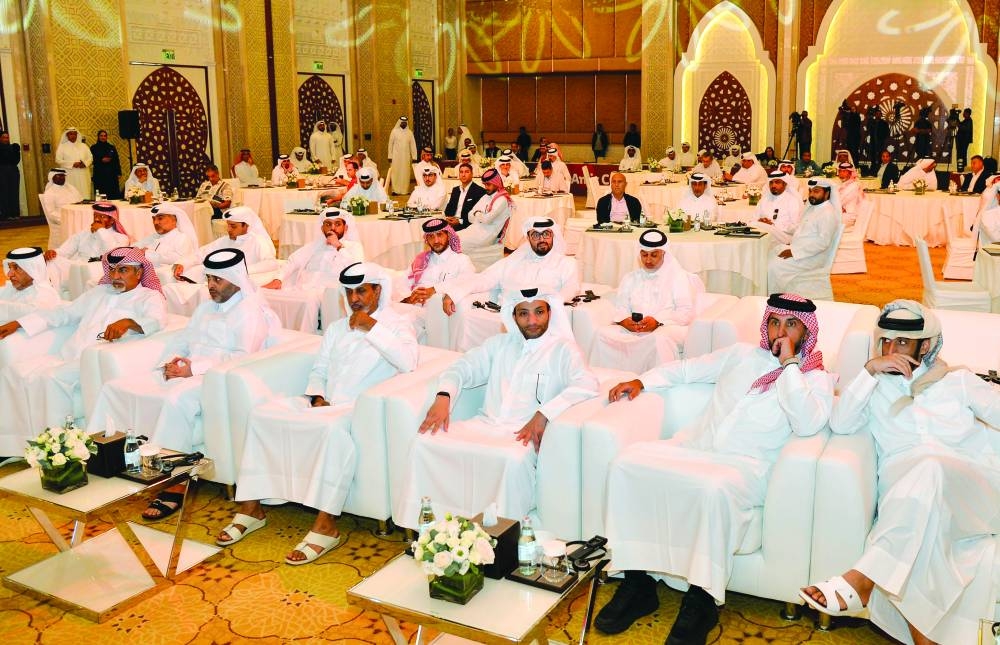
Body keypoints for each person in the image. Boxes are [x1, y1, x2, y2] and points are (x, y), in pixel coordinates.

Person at [596, 293, 833, 642]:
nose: (780, 331)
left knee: (711, 488)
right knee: (625, 465)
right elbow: (688, 368)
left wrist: (790, 366)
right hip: (694, 448)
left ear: (806, 332)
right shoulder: (741, 354)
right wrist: (643, 381)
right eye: (774, 322)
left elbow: (808, 424)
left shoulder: (815, 378)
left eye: (791, 325)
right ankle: (636, 583)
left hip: (745, 469)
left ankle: (702, 601)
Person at [801, 301, 1000, 645]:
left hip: (972, 493)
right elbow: (841, 422)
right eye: (885, 342)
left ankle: (862, 579)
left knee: (932, 467)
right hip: (910, 499)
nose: (892, 351)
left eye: (903, 343)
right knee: (920, 534)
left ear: (926, 345)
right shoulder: (872, 388)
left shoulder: (959, 381)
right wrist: (867, 372)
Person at [218, 262, 418, 564]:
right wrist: (317, 395)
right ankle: (251, 507)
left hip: (358, 409)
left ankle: (326, 526)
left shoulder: (398, 325)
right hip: (323, 402)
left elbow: (408, 362)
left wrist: (371, 327)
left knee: (331, 430)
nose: (354, 299)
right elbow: (321, 368)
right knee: (262, 415)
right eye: (349, 293)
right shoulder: (337, 327)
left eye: (361, 291)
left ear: (378, 289)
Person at [91, 248, 281, 519]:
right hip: (185, 369)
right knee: (115, 388)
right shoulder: (205, 307)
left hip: (217, 379)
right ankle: (106, 461)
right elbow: (181, 340)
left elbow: (243, 357)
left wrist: (193, 369)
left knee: (176, 399)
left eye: (218, 280)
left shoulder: (249, 311)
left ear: (235, 279)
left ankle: (173, 484)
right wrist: (170, 363)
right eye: (209, 280)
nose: (211, 286)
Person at [395, 285, 599, 527]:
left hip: (521, 435)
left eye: (539, 312)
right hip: (484, 424)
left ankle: (502, 535)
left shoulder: (563, 349)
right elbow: (462, 368)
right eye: (524, 313)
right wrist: (443, 397)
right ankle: (429, 527)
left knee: (512, 459)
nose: (532, 320)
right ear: (513, 316)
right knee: (423, 442)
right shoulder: (499, 345)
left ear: (550, 313)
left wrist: (544, 414)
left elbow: (587, 383)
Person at [0, 247, 167, 451]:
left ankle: (59, 448)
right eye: (112, 270)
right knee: (12, 372)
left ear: (139, 272)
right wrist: (19, 323)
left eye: (123, 271)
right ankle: (14, 446)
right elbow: (64, 313)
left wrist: (129, 322)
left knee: (52, 378)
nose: (115, 276)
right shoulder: (99, 292)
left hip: (94, 363)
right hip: (67, 355)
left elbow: (156, 321)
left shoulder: (148, 297)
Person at [443, 217, 579, 350]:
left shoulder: (566, 263)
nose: (542, 239)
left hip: (542, 318)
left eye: (546, 234)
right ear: (528, 238)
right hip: (507, 315)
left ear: (553, 236)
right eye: (536, 235)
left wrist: (548, 304)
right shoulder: (513, 261)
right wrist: (455, 293)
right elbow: (484, 279)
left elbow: (571, 288)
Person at [590, 230, 697, 372]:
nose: (648, 260)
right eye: (644, 254)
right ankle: (609, 379)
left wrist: (657, 321)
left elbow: (686, 313)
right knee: (602, 334)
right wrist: (624, 320)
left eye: (654, 255)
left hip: (666, 328)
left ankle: (652, 383)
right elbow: (621, 307)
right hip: (634, 328)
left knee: (656, 340)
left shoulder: (677, 277)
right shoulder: (630, 278)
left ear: (664, 253)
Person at [261, 208, 361, 332]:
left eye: (338, 224)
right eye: (328, 224)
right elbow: (293, 261)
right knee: (262, 293)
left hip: (326, 292)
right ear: (322, 228)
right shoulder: (315, 246)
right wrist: (278, 279)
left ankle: (305, 337)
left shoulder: (353, 247)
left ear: (345, 228)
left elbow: (357, 269)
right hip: (301, 288)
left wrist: (338, 246)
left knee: (309, 299)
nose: (332, 228)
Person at [767, 178, 842, 294]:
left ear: (827, 194)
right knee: (767, 255)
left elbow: (822, 243)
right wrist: (776, 226)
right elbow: (800, 229)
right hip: (800, 250)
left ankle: (776, 300)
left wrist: (794, 252)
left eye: (816, 191)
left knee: (773, 266)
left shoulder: (827, 213)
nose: (811, 195)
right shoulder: (812, 207)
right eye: (810, 191)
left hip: (813, 257)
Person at [173, 206, 277, 284]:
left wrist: (240, 270)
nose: (228, 230)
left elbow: (270, 263)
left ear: (246, 225)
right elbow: (202, 253)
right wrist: (183, 263)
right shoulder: (224, 240)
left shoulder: (258, 241)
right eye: (228, 225)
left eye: (233, 226)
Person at [44, 201, 130, 292]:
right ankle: (56, 293)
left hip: (100, 270)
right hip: (77, 268)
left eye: (102, 216)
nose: (97, 219)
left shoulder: (121, 238)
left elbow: (112, 255)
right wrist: (53, 253)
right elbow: (65, 251)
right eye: (95, 216)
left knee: (84, 271)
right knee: (52, 260)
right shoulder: (83, 233)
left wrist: (101, 231)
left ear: (112, 220)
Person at [456, 168, 513, 271]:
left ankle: (464, 271)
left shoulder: (502, 200)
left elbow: (487, 220)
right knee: (452, 237)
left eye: (488, 185)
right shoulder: (486, 196)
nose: (486, 187)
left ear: (496, 183)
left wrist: (477, 213)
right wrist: (480, 215)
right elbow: (469, 216)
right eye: (485, 184)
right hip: (475, 229)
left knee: (456, 242)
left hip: (487, 235)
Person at [0, 247, 61, 320]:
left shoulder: (45, 294)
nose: (9, 274)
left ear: (33, 270)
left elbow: (31, 313)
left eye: (16, 268)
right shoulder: (12, 287)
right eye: (9, 268)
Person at [135, 203, 199, 271]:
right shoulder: (154, 237)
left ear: (174, 220)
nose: (155, 222)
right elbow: (135, 247)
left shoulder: (182, 238)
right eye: (154, 219)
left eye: (160, 218)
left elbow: (180, 259)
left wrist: (148, 253)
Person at [752, 170, 804, 244]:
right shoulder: (764, 199)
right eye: (771, 183)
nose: (773, 186)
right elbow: (753, 219)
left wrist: (773, 225)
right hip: (764, 233)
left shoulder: (792, 201)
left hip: (784, 236)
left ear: (785, 184)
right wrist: (760, 221)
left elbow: (795, 227)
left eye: (777, 182)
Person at [443, 162, 487, 231]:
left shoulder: (479, 191)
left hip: (467, 225)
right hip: (452, 223)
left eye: (467, 172)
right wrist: (448, 218)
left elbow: (476, 214)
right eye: (461, 172)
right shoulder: (456, 190)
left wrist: (460, 221)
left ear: (472, 174)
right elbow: (449, 209)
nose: (463, 175)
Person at [55, 127, 93, 199]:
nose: (73, 136)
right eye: (71, 134)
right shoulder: (62, 147)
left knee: (84, 193)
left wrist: (84, 164)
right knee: (72, 194)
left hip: (83, 174)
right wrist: (72, 164)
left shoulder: (83, 146)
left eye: (75, 134)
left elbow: (90, 157)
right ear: (67, 135)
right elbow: (58, 160)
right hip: (70, 174)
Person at [387, 116, 417, 195]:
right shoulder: (394, 131)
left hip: (406, 157)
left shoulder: (409, 133)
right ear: (399, 123)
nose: (403, 123)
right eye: (402, 122)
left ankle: (405, 190)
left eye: (405, 122)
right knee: (395, 172)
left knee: (405, 173)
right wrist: (389, 156)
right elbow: (390, 144)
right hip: (395, 157)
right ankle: (395, 190)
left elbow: (413, 145)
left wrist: (414, 157)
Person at [89, 129, 121, 200]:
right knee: (101, 193)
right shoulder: (93, 148)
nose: (103, 137)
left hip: (111, 174)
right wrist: (101, 160)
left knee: (113, 193)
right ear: (98, 137)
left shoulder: (111, 147)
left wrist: (118, 173)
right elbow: (91, 159)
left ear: (106, 137)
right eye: (101, 136)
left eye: (105, 136)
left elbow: (116, 160)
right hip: (99, 174)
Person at [837, 162, 866, 227]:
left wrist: (838, 207)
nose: (841, 174)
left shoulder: (854, 186)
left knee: (826, 220)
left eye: (844, 171)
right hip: (842, 213)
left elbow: (839, 201)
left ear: (850, 173)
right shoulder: (842, 184)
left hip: (850, 215)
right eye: (840, 171)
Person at [0, 131, 19, 220]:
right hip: (2, 172)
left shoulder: (13, 147)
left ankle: (15, 213)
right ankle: (6, 214)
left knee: (14, 192)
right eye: (4, 137)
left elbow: (16, 160)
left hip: (13, 171)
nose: (6, 139)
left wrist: (16, 150)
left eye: (7, 137)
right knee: (4, 193)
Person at [866, 110, 890, 174]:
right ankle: (872, 170)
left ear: (881, 115)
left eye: (879, 114)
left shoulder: (884, 123)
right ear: (875, 115)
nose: (878, 115)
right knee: (873, 156)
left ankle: (880, 170)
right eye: (877, 114)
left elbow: (887, 133)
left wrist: (883, 139)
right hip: (873, 142)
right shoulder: (872, 122)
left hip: (881, 142)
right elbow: (868, 129)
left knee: (880, 156)